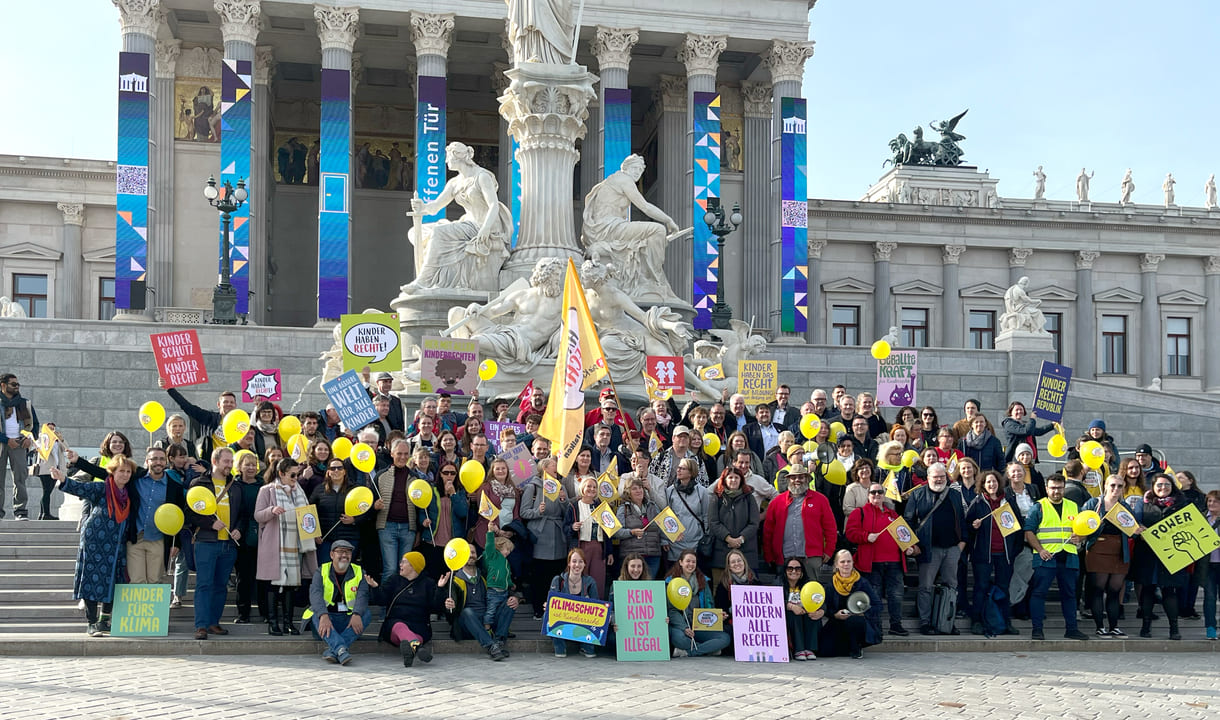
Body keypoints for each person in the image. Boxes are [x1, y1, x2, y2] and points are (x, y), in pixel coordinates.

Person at [402, 142, 512, 294]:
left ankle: (423, 281)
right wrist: (422, 207)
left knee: (439, 232)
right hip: (468, 224)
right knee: (416, 231)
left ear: (457, 157)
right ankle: (436, 277)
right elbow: (435, 207)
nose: (446, 161)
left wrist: (485, 229)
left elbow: (494, 206)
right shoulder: (454, 183)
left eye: (447, 157)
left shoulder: (482, 177)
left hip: (484, 226)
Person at [49, 458, 137, 636]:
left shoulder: (129, 493)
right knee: (91, 579)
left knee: (113, 580)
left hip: (116, 544)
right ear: (113, 472)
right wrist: (63, 479)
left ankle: (104, 621)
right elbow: (80, 488)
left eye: (128, 472)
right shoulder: (102, 487)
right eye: (121, 471)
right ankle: (91, 622)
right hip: (94, 541)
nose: (125, 475)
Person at [255, 458, 318, 637]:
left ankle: (289, 623)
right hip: (276, 544)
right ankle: (273, 623)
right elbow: (258, 515)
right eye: (292, 474)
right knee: (274, 585)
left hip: (294, 544)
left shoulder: (299, 491)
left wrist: (313, 532)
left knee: (291, 586)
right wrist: (271, 510)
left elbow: (307, 516)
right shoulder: (266, 490)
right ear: (281, 473)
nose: (295, 478)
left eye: (297, 474)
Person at [185, 447, 244, 640]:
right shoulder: (199, 483)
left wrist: (239, 529)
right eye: (226, 461)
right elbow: (191, 513)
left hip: (228, 545)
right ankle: (200, 625)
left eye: (231, 462)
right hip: (206, 543)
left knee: (220, 586)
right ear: (215, 461)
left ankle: (213, 622)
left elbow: (243, 514)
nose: (229, 465)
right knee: (204, 584)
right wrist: (210, 524)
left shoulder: (235, 486)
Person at [1022, 475, 1088, 641]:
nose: (1056, 491)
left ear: (1064, 488)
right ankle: (1037, 630)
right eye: (1053, 488)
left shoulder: (1074, 507)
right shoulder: (1039, 507)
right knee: (1039, 593)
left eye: (1059, 488)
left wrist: (1080, 538)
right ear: (1046, 488)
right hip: (1046, 557)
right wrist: (1040, 549)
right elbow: (1028, 531)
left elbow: (1084, 530)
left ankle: (1072, 629)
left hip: (1068, 557)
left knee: (1070, 595)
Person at [904, 462, 966, 636]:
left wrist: (961, 546)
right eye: (935, 477)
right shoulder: (917, 494)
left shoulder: (954, 494)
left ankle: (947, 621)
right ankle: (925, 622)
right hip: (928, 549)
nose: (939, 480)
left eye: (942, 476)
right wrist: (912, 544)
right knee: (925, 587)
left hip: (952, 548)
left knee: (951, 586)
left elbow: (961, 520)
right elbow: (908, 522)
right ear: (928, 478)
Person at [1082, 475, 1143, 637]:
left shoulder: (1124, 506)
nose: (1116, 489)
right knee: (1098, 588)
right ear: (1106, 485)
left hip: (1119, 550)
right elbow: (1081, 524)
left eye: (1119, 486)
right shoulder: (1094, 503)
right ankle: (1099, 626)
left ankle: (1114, 626)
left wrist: (1136, 531)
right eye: (1113, 486)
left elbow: (1132, 528)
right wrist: (1095, 524)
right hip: (1098, 549)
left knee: (1115, 589)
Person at [844, 481, 908, 636]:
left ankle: (895, 624)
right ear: (868, 495)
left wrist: (909, 546)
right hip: (872, 563)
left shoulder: (893, 514)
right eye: (873, 492)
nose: (877, 495)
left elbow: (904, 535)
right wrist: (866, 536)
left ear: (884, 495)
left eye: (880, 492)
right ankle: (875, 626)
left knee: (896, 595)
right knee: (874, 596)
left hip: (894, 562)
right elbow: (850, 533)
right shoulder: (859, 513)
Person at [1132, 473, 1190, 640]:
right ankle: (1145, 626)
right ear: (1153, 487)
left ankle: (1174, 629)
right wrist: (1138, 531)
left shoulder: (1182, 504)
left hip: (1172, 555)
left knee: (1169, 591)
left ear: (1172, 486)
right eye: (1159, 485)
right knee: (1148, 590)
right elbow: (1134, 526)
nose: (1163, 488)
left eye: (1167, 485)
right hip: (1147, 555)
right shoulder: (1143, 505)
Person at [965, 470, 1019, 637]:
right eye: (988, 482)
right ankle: (977, 621)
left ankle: (1005, 621)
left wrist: (1014, 550)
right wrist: (973, 527)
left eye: (994, 482)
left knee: (1004, 588)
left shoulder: (1008, 502)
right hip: (983, 555)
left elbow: (1019, 527)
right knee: (981, 587)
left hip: (1004, 555)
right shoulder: (978, 502)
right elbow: (966, 528)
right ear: (983, 484)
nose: (991, 485)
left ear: (999, 483)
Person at [373, 551, 449, 667]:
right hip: (395, 624)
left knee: (414, 636)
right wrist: (375, 588)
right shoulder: (394, 580)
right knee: (400, 626)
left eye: (403, 562)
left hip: (419, 625)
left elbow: (436, 607)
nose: (400, 565)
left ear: (413, 566)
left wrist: (440, 588)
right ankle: (417, 647)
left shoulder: (428, 583)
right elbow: (381, 600)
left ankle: (410, 651)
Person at [762, 463, 836, 581]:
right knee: (785, 593)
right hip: (784, 556)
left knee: (812, 593)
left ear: (807, 479)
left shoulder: (821, 500)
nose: (797, 480)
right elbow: (768, 531)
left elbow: (830, 528)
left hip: (811, 557)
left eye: (801, 477)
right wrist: (769, 555)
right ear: (788, 480)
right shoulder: (776, 502)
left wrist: (829, 551)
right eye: (794, 477)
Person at [303, 540, 371, 665]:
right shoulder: (321, 571)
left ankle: (335, 649)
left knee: (366, 614)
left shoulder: (359, 572)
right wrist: (323, 615)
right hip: (326, 623)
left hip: (348, 622)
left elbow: (363, 595)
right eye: (340, 551)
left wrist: (356, 614)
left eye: (348, 552)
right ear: (331, 555)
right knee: (314, 613)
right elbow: (315, 595)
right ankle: (341, 648)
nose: (344, 555)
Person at [521, 456, 572, 619]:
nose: (557, 469)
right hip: (540, 536)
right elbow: (524, 512)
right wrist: (538, 512)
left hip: (558, 536)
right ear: (544, 469)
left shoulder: (561, 486)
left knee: (556, 574)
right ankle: (538, 609)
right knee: (540, 576)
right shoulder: (533, 487)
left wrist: (564, 500)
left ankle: (555, 610)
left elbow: (567, 513)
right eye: (553, 466)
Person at [442, 549, 514, 661]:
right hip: (467, 623)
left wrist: (514, 597)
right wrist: (449, 606)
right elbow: (450, 612)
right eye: (467, 552)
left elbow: (502, 587)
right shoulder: (454, 580)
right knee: (467, 612)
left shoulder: (485, 575)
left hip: (487, 620)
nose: (471, 555)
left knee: (509, 603)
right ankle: (491, 646)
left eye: (473, 552)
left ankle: (499, 642)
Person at [665, 550, 731, 658]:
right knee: (680, 640)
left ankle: (689, 652)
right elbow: (671, 610)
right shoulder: (671, 583)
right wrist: (685, 628)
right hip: (680, 626)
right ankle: (708, 649)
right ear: (681, 562)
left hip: (699, 625)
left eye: (693, 562)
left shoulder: (702, 581)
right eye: (688, 561)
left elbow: (709, 604)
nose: (691, 564)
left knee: (724, 638)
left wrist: (717, 617)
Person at [819, 549, 882, 659]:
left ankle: (856, 647)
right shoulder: (831, 585)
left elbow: (878, 605)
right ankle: (846, 646)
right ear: (836, 565)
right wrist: (835, 614)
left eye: (849, 561)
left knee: (854, 621)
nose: (846, 564)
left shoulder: (862, 583)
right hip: (839, 621)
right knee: (824, 652)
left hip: (857, 622)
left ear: (853, 563)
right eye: (842, 562)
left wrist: (864, 613)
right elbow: (826, 607)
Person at [375, 439, 422, 583]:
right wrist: (374, 506)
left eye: (406, 454)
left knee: (407, 569)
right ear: (392, 453)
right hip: (387, 527)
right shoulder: (381, 476)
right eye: (399, 453)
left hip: (408, 529)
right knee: (390, 568)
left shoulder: (415, 477)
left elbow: (420, 506)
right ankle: (386, 605)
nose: (402, 457)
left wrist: (418, 530)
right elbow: (371, 500)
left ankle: (402, 603)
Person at [708, 467, 759, 584]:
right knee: (720, 589)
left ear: (741, 480)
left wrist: (740, 539)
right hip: (721, 552)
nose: (733, 480)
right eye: (730, 477)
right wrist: (728, 538)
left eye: (736, 477)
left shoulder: (749, 498)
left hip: (746, 551)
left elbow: (754, 522)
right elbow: (713, 522)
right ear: (724, 480)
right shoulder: (717, 498)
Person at [548, 548, 601, 658]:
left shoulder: (590, 582)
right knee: (547, 615)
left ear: (585, 564)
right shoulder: (558, 580)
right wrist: (547, 605)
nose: (577, 565)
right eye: (574, 561)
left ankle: (587, 647)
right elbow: (552, 603)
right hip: (563, 621)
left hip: (583, 621)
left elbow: (597, 604)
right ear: (569, 563)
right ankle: (560, 647)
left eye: (581, 561)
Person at [615, 477, 665, 578]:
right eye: (634, 488)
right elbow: (617, 532)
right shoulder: (623, 508)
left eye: (640, 487)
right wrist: (631, 532)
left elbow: (663, 526)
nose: (638, 491)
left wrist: (667, 539)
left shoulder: (653, 506)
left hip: (652, 555)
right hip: (631, 556)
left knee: (648, 588)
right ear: (628, 492)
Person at [665, 458, 711, 566]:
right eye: (678, 467)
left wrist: (706, 537)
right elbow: (666, 516)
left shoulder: (702, 492)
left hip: (696, 541)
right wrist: (664, 539)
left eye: (682, 468)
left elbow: (706, 516)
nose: (678, 470)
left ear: (691, 472)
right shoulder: (670, 491)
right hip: (675, 542)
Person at [572, 476, 614, 592]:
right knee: (580, 577)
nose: (592, 489)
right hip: (581, 547)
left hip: (599, 548)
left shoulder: (601, 507)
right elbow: (565, 528)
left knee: (598, 579)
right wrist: (573, 527)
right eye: (589, 486)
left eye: (595, 487)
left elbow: (608, 531)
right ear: (582, 488)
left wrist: (609, 552)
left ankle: (596, 605)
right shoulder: (574, 506)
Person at [779, 558, 823, 660]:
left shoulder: (808, 584)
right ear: (785, 571)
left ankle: (809, 649)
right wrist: (791, 606)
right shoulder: (778, 583)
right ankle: (799, 649)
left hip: (805, 614)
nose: (794, 571)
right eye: (790, 568)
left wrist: (821, 611)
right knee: (794, 614)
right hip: (787, 616)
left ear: (802, 571)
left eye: (797, 569)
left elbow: (820, 599)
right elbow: (774, 601)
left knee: (813, 614)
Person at [713, 548, 756, 640]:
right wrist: (724, 614)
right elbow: (720, 606)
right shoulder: (723, 584)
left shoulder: (755, 582)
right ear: (729, 566)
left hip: (753, 623)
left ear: (744, 563)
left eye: (739, 561)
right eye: (733, 562)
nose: (737, 564)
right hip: (732, 621)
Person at [32, 421, 68, 520]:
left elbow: (66, 449)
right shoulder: (42, 438)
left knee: (47, 492)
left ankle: (42, 513)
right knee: (47, 491)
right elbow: (40, 447)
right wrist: (47, 437)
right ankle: (46, 514)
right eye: (50, 428)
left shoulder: (57, 440)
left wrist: (61, 439)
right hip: (45, 469)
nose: (52, 430)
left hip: (56, 469)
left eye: (53, 428)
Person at [1204, 490, 1220, 640]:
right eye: (1209, 501)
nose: (1211, 504)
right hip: (1208, 565)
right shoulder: (1201, 519)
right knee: (1209, 597)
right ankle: (1210, 628)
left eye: (1215, 501)